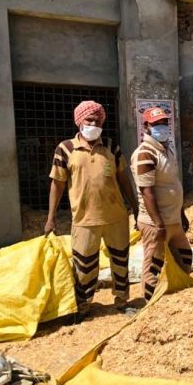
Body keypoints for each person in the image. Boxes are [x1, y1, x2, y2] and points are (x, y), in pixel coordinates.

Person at [45, 100, 138, 321]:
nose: (93, 123)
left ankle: (122, 302)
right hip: (84, 219)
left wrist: (135, 208)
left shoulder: (111, 147)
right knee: (84, 266)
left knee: (120, 261)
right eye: (89, 119)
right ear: (79, 121)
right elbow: (57, 185)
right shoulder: (65, 149)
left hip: (116, 217)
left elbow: (124, 180)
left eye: (97, 120)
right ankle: (84, 306)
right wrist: (51, 218)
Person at [131, 106, 192, 303]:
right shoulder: (145, 153)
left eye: (164, 123)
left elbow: (174, 183)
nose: (162, 127)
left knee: (185, 257)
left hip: (172, 219)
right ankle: (151, 305)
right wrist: (158, 224)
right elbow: (146, 191)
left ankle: (177, 296)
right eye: (157, 124)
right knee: (154, 265)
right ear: (147, 126)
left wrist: (181, 214)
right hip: (156, 223)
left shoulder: (167, 148)